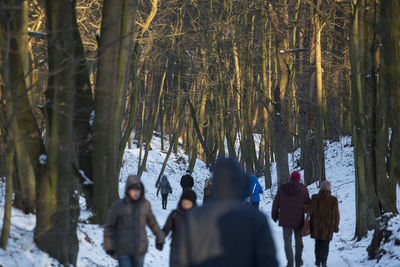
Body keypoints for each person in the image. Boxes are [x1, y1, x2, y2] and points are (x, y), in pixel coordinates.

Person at [170, 157, 278, 267]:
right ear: (240, 183)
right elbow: (268, 261)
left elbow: (179, 259)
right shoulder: (256, 219)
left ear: (215, 184)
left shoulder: (194, 217)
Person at [104, 175, 165, 267]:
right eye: (133, 190)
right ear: (128, 190)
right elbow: (109, 226)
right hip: (123, 248)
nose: (136, 193)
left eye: (138, 190)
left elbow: (152, 223)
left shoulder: (145, 205)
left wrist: (160, 237)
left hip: (140, 248)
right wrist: (109, 245)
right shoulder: (118, 206)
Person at [272, 171, 310, 267]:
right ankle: (298, 262)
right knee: (298, 240)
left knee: (287, 241)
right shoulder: (303, 190)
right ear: (298, 179)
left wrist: (274, 215)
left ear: (290, 178)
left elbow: (276, 203)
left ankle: (290, 263)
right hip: (299, 219)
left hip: (285, 219)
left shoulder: (282, 188)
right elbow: (308, 204)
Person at [308, 181, 340, 267]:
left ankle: (318, 261)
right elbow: (336, 214)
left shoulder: (315, 197)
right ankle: (324, 261)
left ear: (321, 188)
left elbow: (309, 210)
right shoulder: (333, 200)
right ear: (329, 189)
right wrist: (336, 226)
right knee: (326, 245)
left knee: (317, 244)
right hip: (328, 226)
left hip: (316, 226)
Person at [163, 190, 197, 257]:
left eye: (188, 203)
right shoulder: (175, 214)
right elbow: (166, 229)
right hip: (176, 249)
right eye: (184, 202)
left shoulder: (198, 215)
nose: (186, 205)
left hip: (193, 250)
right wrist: (160, 238)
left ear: (193, 203)